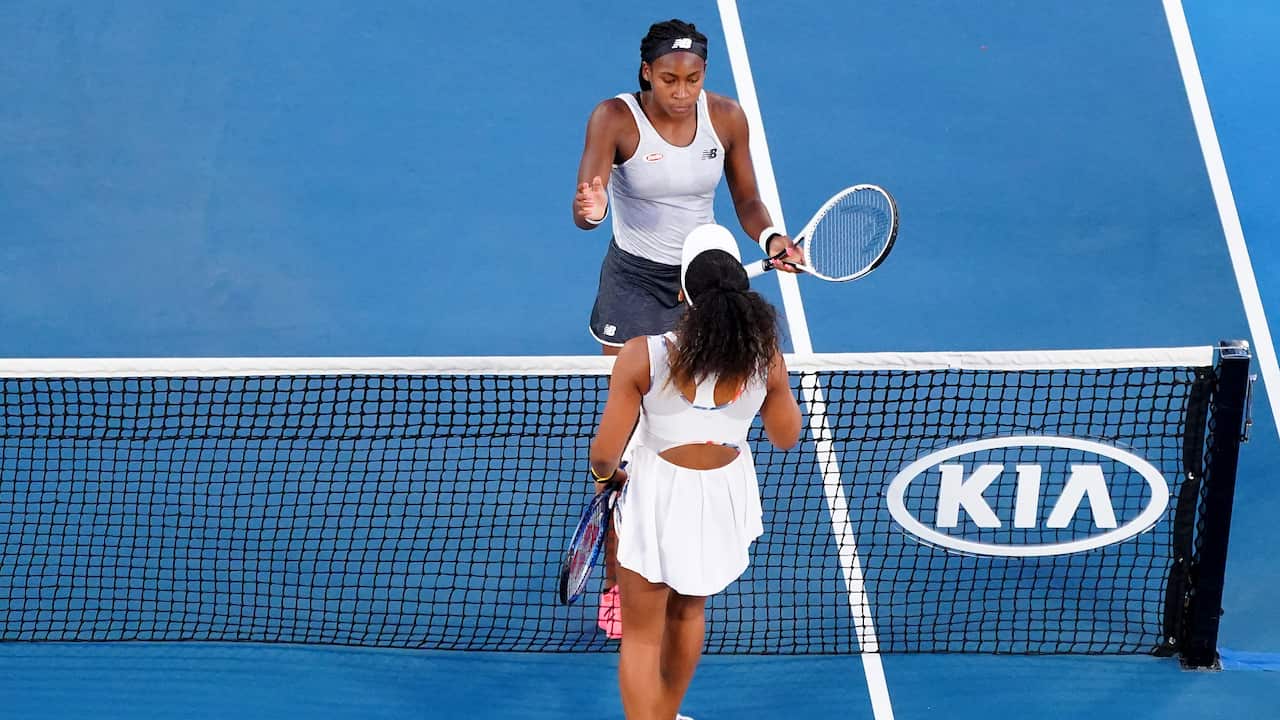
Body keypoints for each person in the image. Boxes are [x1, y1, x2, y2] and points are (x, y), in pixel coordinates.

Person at [571, 17, 802, 638]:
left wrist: (771, 235)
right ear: (647, 73)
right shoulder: (613, 119)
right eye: (669, 79)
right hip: (633, 283)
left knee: (689, 426)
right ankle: (621, 578)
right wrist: (589, 211)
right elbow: (587, 199)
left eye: (693, 79)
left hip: (702, 285)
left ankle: (687, 556)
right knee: (631, 438)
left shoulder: (725, 119)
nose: (681, 91)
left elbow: (747, 199)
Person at [586, 225, 802, 720]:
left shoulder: (644, 355)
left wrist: (607, 477)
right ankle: (666, 714)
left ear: (683, 294)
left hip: (658, 494)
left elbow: (604, 454)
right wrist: (778, 376)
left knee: (641, 636)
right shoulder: (763, 355)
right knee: (688, 612)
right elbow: (785, 436)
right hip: (723, 497)